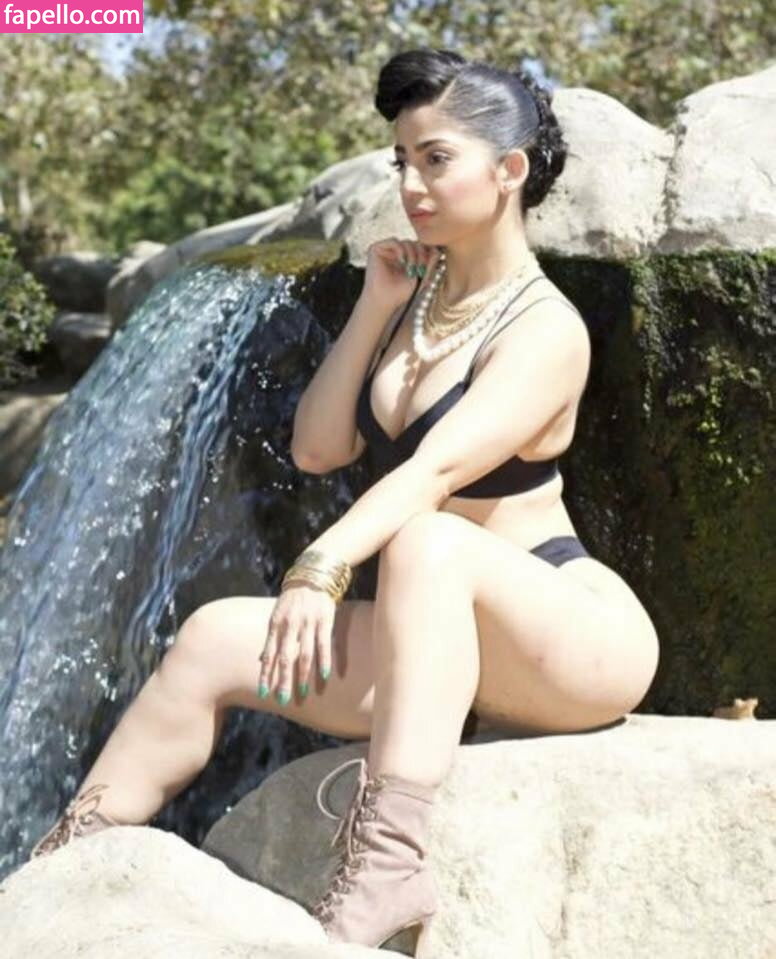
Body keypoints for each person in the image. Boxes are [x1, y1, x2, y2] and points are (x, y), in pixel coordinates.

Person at [29, 47, 660, 956]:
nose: (411, 184)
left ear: (509, 169)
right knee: (211, 638)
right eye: (402, 161)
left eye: (435, 158)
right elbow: (318, 447)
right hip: (438, 641)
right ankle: (67, 866)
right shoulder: (415, 303)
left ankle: (389, 862)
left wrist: (318, 568)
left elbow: (434, 472)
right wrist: (375, 305)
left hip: (572, 639)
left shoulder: (546, 327)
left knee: (428, 541)